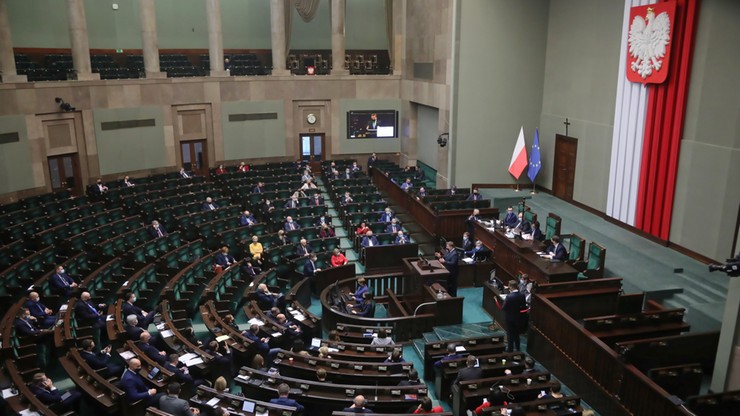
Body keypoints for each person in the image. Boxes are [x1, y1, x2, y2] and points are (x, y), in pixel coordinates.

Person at [499, 280, 528, 352]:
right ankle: (518, 348)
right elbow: (524, 307)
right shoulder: (522, 295)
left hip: (510, 318)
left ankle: (510, 349)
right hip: (518, 318)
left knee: (510, 334)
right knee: (516, 334)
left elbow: (504, 308)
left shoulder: (509, 297)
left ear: (511, 287)